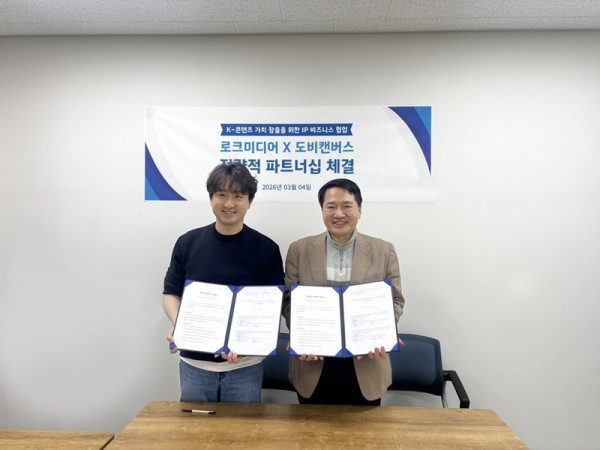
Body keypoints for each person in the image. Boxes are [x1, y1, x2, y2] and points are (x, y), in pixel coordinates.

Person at [162, 162, 284, 403]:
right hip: (195, 365)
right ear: (211, 198)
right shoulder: (188, 243)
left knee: (242, 426)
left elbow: (272, 306)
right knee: (195, 425)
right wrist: (181, 326)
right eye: (222, 195)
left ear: (249, 201)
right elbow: (171, 294)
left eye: (238, 196)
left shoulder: (267, 249)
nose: (229, 203)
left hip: (245, 366)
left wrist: (245, 341)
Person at [282, 178, 405, 405]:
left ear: (360, 210)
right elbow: (289, 301)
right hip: (313, 364)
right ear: (322, 210)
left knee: (366, 428)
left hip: (367, 363)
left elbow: (395, 300)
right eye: (331, 206)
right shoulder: (299, 250)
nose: (338, 213)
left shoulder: (383, 250)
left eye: (346, 206)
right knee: (310, 428)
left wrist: (382, 331)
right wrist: (301, 334)